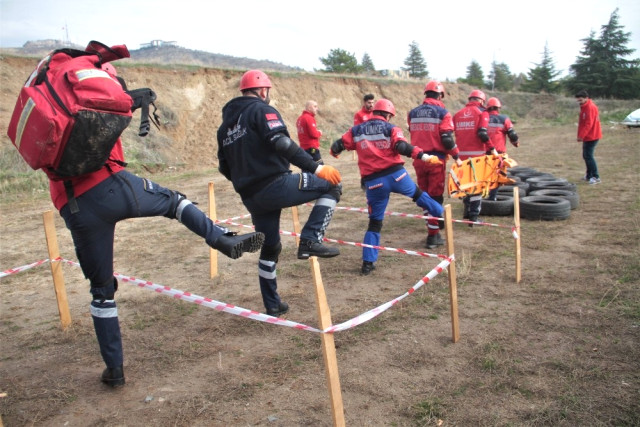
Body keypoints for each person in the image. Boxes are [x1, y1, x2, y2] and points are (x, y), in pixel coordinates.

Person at [52, 64, 265, 388]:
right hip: (111, 184)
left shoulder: (53, 109)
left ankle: (115, 370)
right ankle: (221, 239)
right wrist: (134, 98)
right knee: (174, 202)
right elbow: (113, 108)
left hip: (75, 207)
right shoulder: (94, 94)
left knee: (101, 291)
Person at [217, 70, 343, 317]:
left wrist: (246, 181)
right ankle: (310, 239)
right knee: (331, 186)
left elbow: (224, 167)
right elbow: (282, 143)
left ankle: (272, 303)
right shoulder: (262, 110)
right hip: (275, 184)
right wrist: (317, 168)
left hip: (251, 197)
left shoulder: (224, 128)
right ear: (263, 91)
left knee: (271, 246)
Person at [331, 99, 444, 275]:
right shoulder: (392, 129)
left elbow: (337, 145)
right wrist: (423, 156)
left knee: (375, 223)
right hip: (396, 175)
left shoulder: (356, 130)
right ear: (389, 115)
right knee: (417, 194)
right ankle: (441, 214)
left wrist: (334, 152)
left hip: (374, 182)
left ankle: (368, 264)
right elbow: (401, 146)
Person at [408, 80, 462, 248]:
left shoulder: (412, 113)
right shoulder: (443, 113)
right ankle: (433, 234)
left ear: (426, 94)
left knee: (424, 195)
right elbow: (446, 138)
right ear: (440, 95)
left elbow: (413, 131)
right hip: (435, 160)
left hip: (419, 159)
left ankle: (433, 225)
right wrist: (456, 156)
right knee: (435, 196)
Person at [453, 89, 496, 225]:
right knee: (477, 187)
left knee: (465, 185)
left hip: (461, 157)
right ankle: (474, 217)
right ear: (482, 101)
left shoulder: (457, 114)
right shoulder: (482, 113)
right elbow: (482, 134)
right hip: (477, 156)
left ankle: (466, 212)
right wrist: (492, 148)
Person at [486, 97, 520, 200]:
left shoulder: (483, 118)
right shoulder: (503, 118)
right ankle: (492, 197)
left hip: (484, 152)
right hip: (498, 153)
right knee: (497, 176)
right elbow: (512, 134)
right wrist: (515, 143)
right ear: (498, 108)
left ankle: (481, 197)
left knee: (485, 175)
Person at [575, 89, 602, 184]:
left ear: (586, 98)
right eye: (578, 100)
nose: (579, 102)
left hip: (592, 136)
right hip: (589, 136)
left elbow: (588, 124)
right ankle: (589, 175)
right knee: (586, 156)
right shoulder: (585, 106)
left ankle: (595, 176)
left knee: (589, 156)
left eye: (580, 100)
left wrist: (581, 136)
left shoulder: (589, 107)